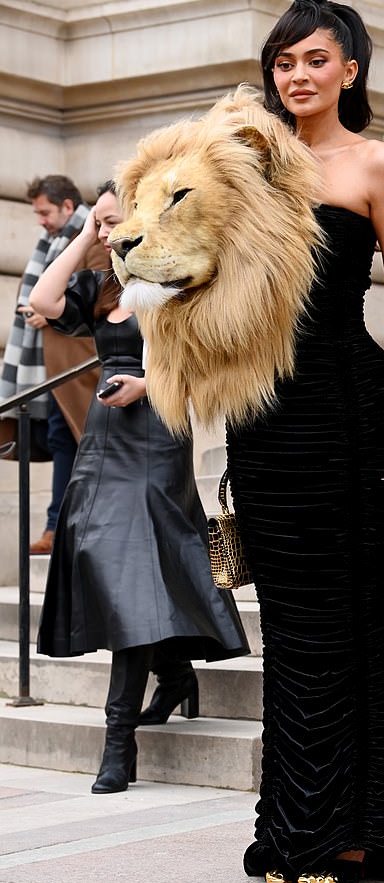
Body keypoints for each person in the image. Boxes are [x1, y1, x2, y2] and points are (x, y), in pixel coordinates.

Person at [226, 0, 384, 883]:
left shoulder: (379, 165)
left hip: (352, 407)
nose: (297, 74)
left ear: (349, 70)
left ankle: (350, 834)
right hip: (264, 419)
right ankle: (299, 827)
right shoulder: (246, 165)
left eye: (314, 59)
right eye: (284, 60)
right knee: (293, 630)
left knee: (347, 621)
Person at [30, 181, 249, 794]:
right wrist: (81, 239)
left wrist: (146, 385)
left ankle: (117, 742)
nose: (103, 233)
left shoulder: (177, 281)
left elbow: (209, 363)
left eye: (110, 222)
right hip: (103, 439)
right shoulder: (98, 287)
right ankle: (175, 673)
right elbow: (45, 302)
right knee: (111, 562)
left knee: (135, 571)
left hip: (158, 434)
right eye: (98, 223)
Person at [0, 174, 107, 555]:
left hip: (78, 364)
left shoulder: (94, 239)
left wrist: (54, 312)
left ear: (66, 206)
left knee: (69, 438)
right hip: (50, 367)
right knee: (59, 438)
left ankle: (58, 525)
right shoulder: (51, 243)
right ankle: (58, 524)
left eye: (45, 212)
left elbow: (100, 293)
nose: (40, 220)